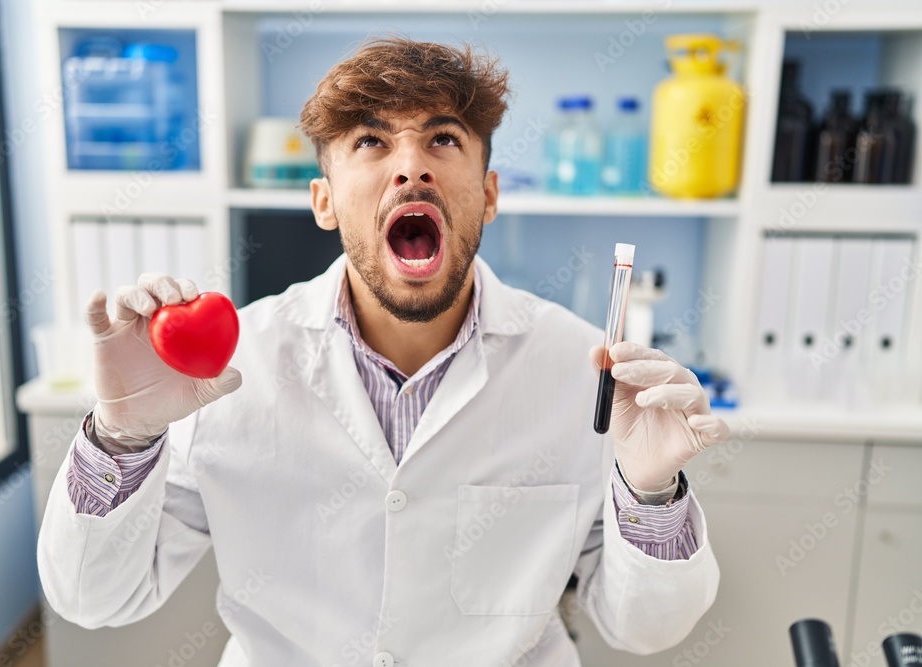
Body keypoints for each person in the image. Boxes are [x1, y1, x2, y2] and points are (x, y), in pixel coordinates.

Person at [38, 37, 729, 666]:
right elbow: (94, 597)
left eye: (443, 141)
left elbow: (646, 628)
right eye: (371, 142)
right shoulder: (226, 369)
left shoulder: (584, 372)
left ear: (489, 195)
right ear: (324, 199)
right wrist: (122, 439)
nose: (410, 169)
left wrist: (652, 493)